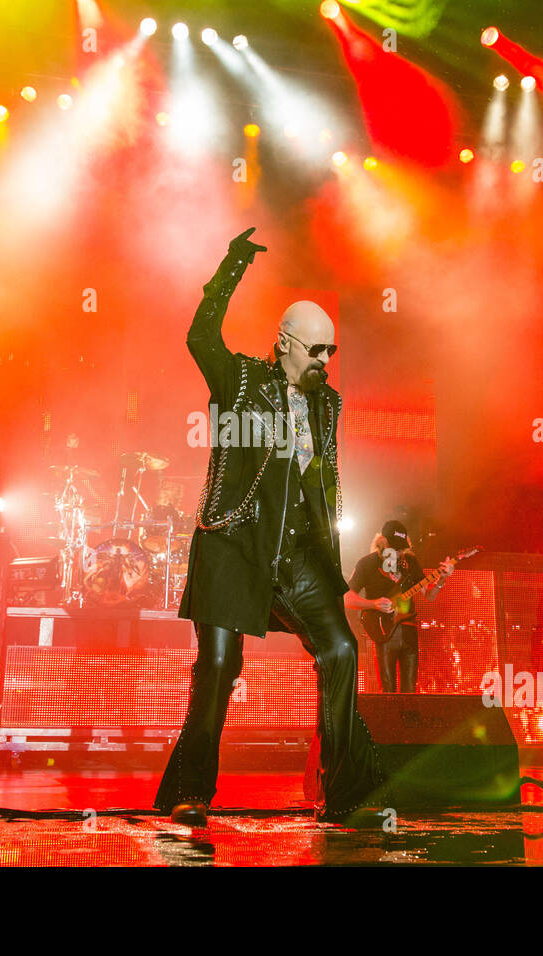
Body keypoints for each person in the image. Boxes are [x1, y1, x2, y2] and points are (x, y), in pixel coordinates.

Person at [154, 228, 381, 825]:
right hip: (234, 544)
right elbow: (199, 336)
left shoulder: (327, 402)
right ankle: (192, 792)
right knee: (220, 668)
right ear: (285, 345)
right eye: (316, 351)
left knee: (340, 647)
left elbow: (322, 479)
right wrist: (231, 267)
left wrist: (331, 552)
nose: (326, 362)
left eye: (332, 352)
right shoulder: (243, 381)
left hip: (297, 556)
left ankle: (343, 790)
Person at [346, 520, 453, 693]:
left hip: (409, 632)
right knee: (388, 691)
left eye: (400, 548)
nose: (397, 552)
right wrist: (373, 604)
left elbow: (429, 595)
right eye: (393, 547)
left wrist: (442, 578)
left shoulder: (409, 562)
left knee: (410, 691)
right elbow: (347, 598)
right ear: (381, 542)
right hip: (384, 632)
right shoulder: (367, 563)